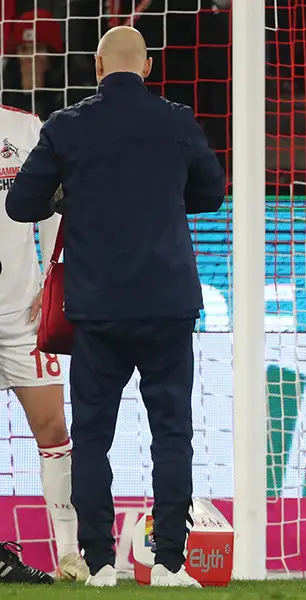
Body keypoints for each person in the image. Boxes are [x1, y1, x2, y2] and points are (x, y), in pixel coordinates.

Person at [4, 26, 226, 588]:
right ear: (147, 66)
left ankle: (100, 562)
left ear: (97, 65)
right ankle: (171, 562)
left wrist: (73, 192)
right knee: (172, 432)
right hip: (167, 303)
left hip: (97, 307)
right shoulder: (176, 121)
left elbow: (22, 203)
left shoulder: (67, 126)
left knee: (95, 436)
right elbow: (210, 195)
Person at [0, 104, 87, 585]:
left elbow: (54, 206)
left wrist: (52, 273)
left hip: (22, 315)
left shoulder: (25, 127)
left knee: (53, 428)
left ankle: (71, 554)